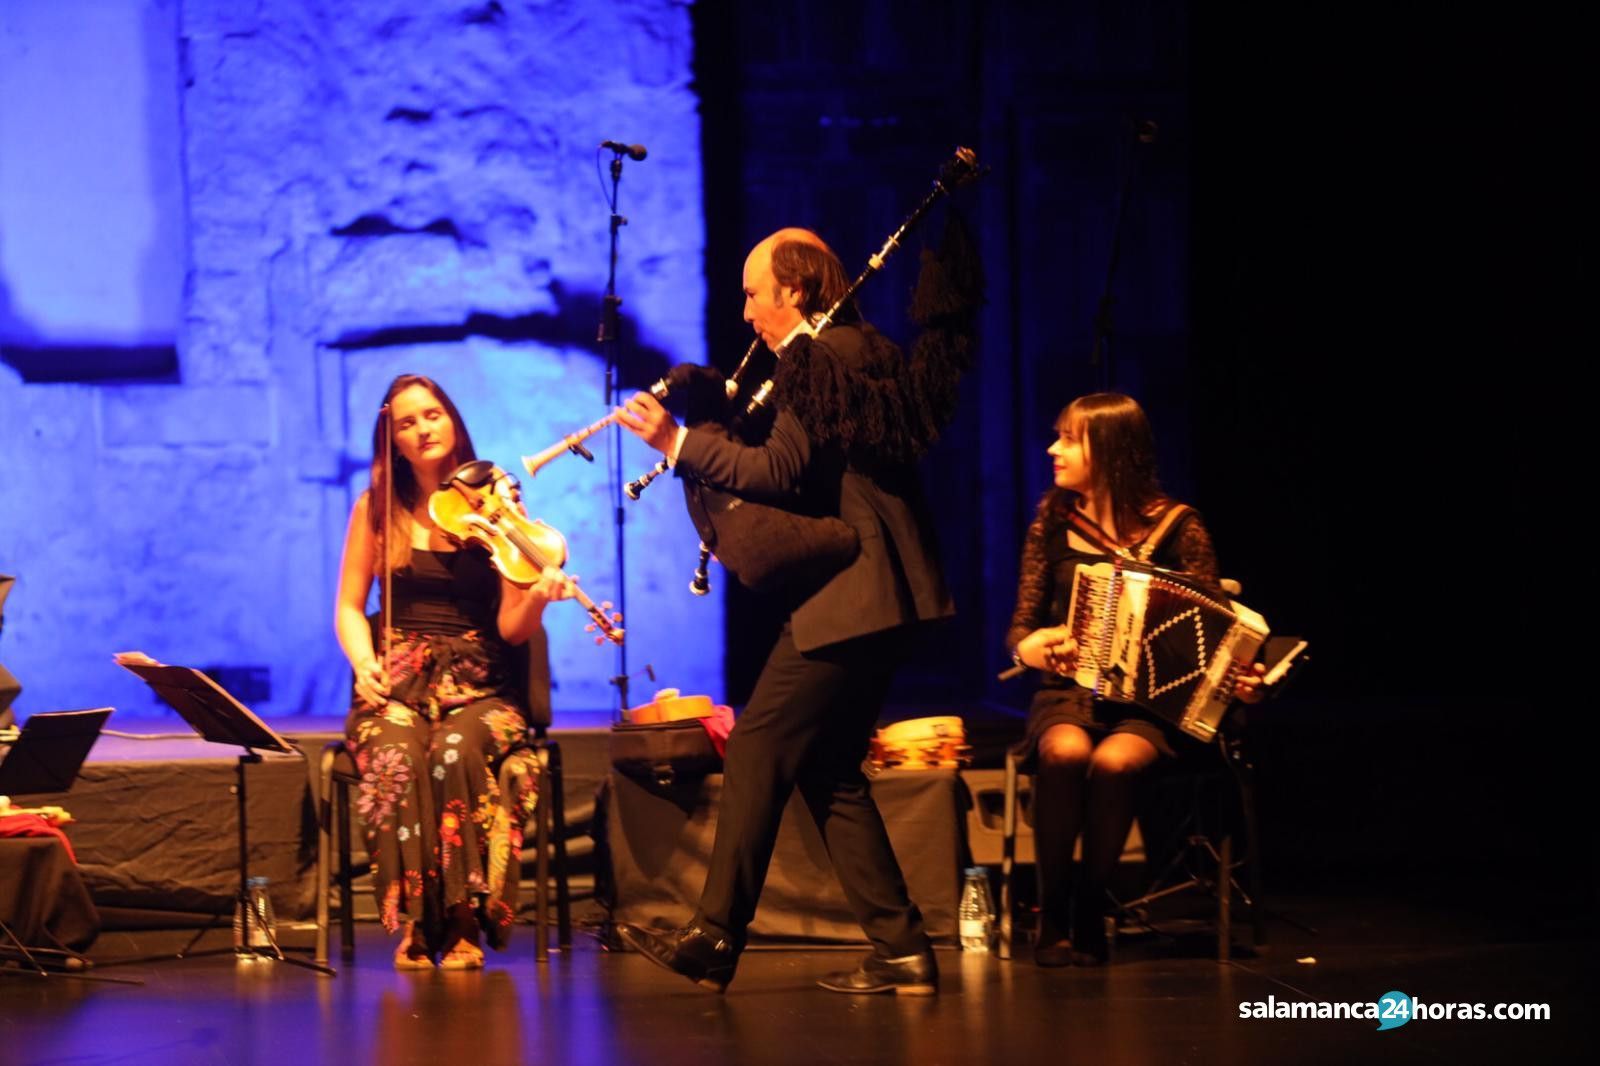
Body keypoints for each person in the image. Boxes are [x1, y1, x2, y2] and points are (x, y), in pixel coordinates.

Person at [613, 229, 955, 994]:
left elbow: (777, 472)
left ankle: (713, 933)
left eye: (753, 293)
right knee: (828, 770)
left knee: (762, 743)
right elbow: (812, 472)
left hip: (856, 591)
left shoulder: (822, 357)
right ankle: (902, 949)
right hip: (881, 590)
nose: (746, 312)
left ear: (794, 291)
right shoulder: (859, 350)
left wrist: (677, 440)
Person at [1007, 392, 1264, 966]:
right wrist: (1034, 648)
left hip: (1150, 707)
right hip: (1072, 691)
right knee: (1067, 751)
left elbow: (1216, 633)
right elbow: (1021, 629)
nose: (1054, 448)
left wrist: (1244, 678)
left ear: (1112, 450)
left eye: (1069, 439)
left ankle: (1093, 907)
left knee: (1116, 762)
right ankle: (1053, 910)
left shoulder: (1178, 528)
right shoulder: (1052, 521)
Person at [334, 373, 569, 970]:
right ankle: (416, 922)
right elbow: (347, 607)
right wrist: (364, 663)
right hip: (399, 680)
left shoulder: (497, 508)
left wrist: (537, 594)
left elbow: (514, 629)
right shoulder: (375, 510)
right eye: (407, 422)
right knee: (396, 753)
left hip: (482, 684)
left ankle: (464, 915)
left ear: (452, 420)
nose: (422, 428)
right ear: (394, 439)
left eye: (431, 415)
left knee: (456, 751)